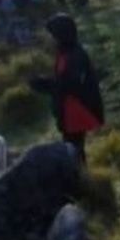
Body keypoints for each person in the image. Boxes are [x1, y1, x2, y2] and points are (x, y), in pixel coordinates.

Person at [31, 14, 104, 164]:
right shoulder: (65, 52)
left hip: (76, 110)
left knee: (74, 150)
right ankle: (81, 179)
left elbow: (71, 85)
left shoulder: (75, 55)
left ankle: (81, 181)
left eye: (52, 34)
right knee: (73, 149)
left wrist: (45, 85)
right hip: (69, 109)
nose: (50, 38)